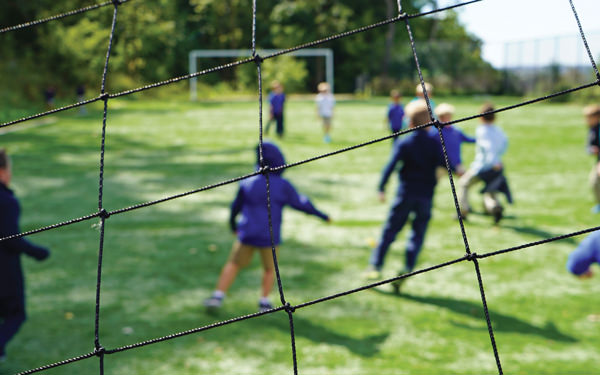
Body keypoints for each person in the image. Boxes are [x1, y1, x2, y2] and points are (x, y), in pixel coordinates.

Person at [204, 142, 330, 312]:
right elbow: (301, 203)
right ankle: (264, 301)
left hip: (247, 232)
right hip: (269, 237)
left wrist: (233, 225)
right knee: (270, 269)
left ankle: (218, 295)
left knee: (234, 264)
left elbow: (235, 207)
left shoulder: (248, 182)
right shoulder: (282, 185)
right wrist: (321, 215)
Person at [365, 100, 444, 293]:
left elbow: (390, 166)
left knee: (390, 231)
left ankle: (375, 266)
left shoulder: (405, 141)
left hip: (405, 194)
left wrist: (382, 187)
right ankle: (407, 268)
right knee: (417, 235)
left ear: (409, 121)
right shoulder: (435, 142)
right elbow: (443, 166)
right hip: (425, 196)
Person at [0, 149, 50, 362]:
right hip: (4, 271)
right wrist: (39, 252)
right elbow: (10, 238)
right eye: (9, 169)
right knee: (16, 314)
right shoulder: (6, 201)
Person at [458, 102, 510, 224]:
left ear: (481, 116)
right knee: (490, 191)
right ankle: (493, 207)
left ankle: (463, 211)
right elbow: (504, 144)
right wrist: (498, 159)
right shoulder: (498, 131)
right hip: (497, 166)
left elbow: (488, 147)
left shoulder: (482, 130)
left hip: (483, 166)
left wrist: (493, 161)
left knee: (464, 183)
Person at [430, 103, 475, 176]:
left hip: (456, 162)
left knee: (465, 179)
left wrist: (480, 139)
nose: (446, 119)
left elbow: (468, 139)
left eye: (448, 116)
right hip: (440, 163)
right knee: (432, 180)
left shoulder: (456, 131)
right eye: (442, 117)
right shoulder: (435, 132)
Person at [583, 104, 600, 213]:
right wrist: (591, 150)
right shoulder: (593, 130)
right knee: (594, 182)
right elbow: (589, 146)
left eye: (589, 118)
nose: (586, 121)